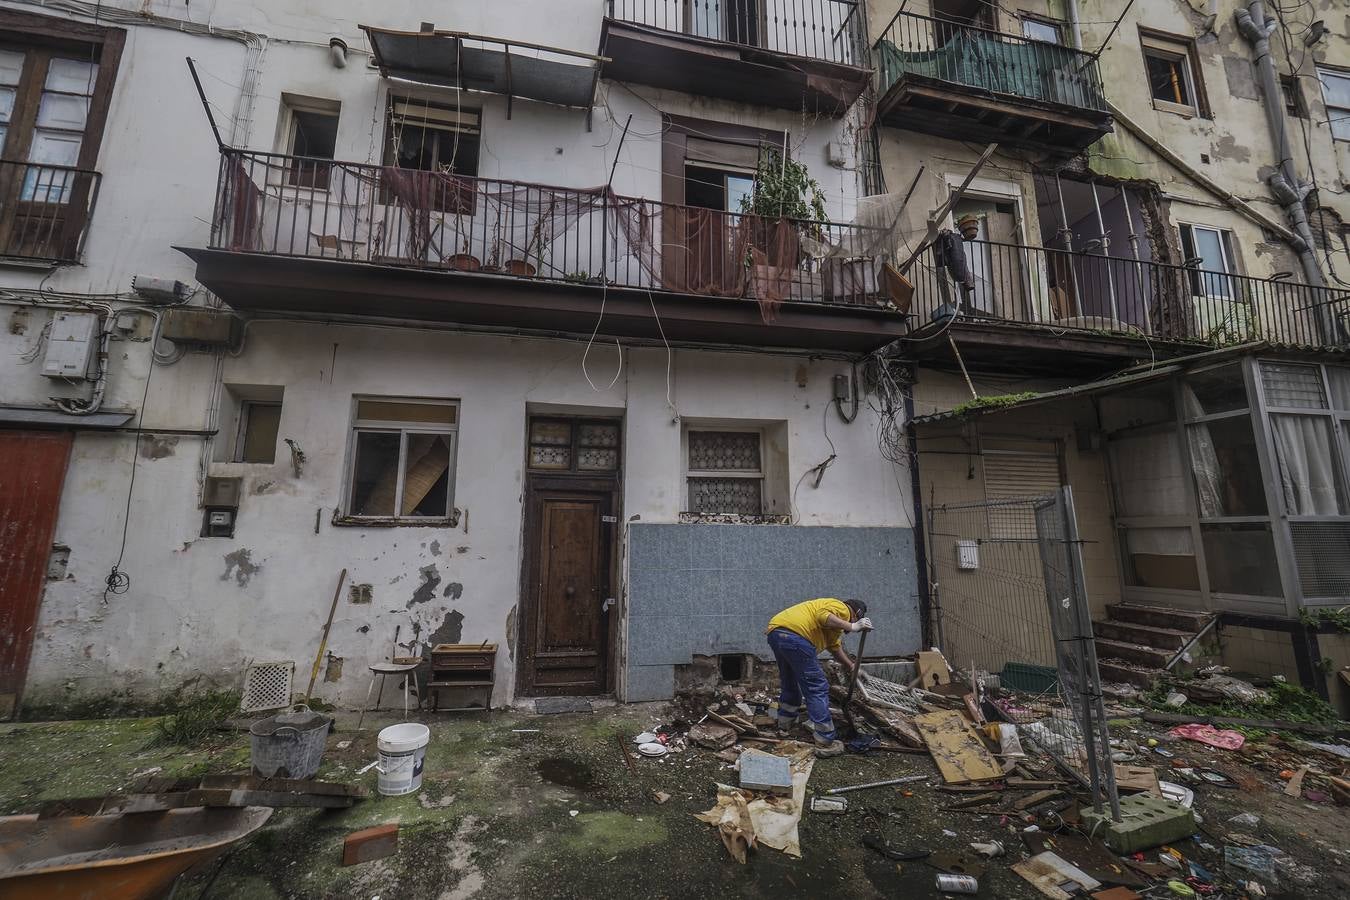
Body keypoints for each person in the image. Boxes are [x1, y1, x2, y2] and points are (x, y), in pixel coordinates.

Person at [765, 597, 871, 757]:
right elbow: (823, 616)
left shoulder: (833, 628)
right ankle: (825, 740)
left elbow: (835, 648)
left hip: (777, 633)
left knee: (790, 680)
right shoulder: (842, 608)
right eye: (857, 620)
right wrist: (852, 625)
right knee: (817, 687)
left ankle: (784, 724)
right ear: (856, 614)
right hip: (797, 637)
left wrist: (852, 666)